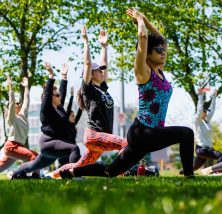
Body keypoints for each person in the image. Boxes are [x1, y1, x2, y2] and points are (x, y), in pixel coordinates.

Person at [59, 9, 194, 179]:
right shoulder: (143, 71)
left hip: (150, 133)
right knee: (186, 133)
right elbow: (143, 38)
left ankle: (71, 172)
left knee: (111, 171)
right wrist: (139, 20)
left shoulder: (160, 70)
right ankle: (189, 176)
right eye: (158, 50)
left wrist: (145, 18)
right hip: (142, 132)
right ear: (148, 54)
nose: (163, 51)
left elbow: (163, 41)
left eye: (162, 50)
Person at [50, 27, 127, 179]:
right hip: (94, 135)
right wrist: (86, 42)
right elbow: (87, 63)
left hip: (100, 137)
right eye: (98, 70)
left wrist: (104, 46)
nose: (102, 72)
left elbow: (104, 64)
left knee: (80, 165)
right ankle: (120, 174)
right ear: (91, 74)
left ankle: (52, 175)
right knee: (125, 143)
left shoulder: (103, 88)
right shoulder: (89, 89)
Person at [11, 63, 81, 179]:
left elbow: (62, 94)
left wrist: (64, 77)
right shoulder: (46, 109)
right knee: (74, 148)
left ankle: (15, 175)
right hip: (48, 143)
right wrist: (51, 75)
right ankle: (75, 176)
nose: (60, 97)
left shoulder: (59, 108)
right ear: (48, 98)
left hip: (55, 144)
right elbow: (47, 95)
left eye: (58, 95)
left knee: (33, 165)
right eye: (56, 95)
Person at [180, 89, 222, 174]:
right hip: (202, 149)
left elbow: (213, 109)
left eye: (206, 111)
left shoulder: (206, 120)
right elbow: (199, 109)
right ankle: (220, 172)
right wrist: (200, 96)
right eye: (204, 111)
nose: (206, 112)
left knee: (194, 167)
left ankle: (184, 171)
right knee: (220, 155)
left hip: (207, 149)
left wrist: (214, 97)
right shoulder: (197, 121)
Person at [0, 76, 38, 172]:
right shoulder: (11, 118)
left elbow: (26, 101)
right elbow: (12, 102)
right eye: (17, 103)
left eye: (19, 103)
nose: (19, 104)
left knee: (0, 167)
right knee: (33, 156)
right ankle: (36, 176)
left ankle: (18, 174)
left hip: (19, 147)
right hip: (11, 146)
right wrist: (10, 87)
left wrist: (26, 87)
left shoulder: (22, 115)